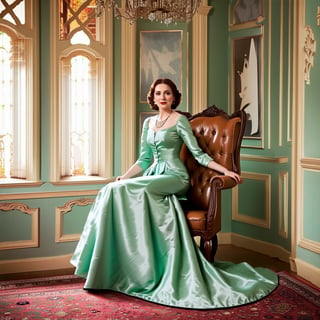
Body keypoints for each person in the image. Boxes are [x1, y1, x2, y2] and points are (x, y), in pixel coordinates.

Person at [71, 78, 278, 309]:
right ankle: (122, 265)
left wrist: (227, 170)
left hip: (175, 178)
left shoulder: (180, 121)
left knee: (133, 189)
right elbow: (144, 158)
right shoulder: (148, 123)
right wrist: (124, 176)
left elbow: (198, 155)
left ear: (174, 97)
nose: (162, 97)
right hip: (153, 176)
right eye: (158, 93)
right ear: (153, 98)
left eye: (167, 93)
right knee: (112, 188)